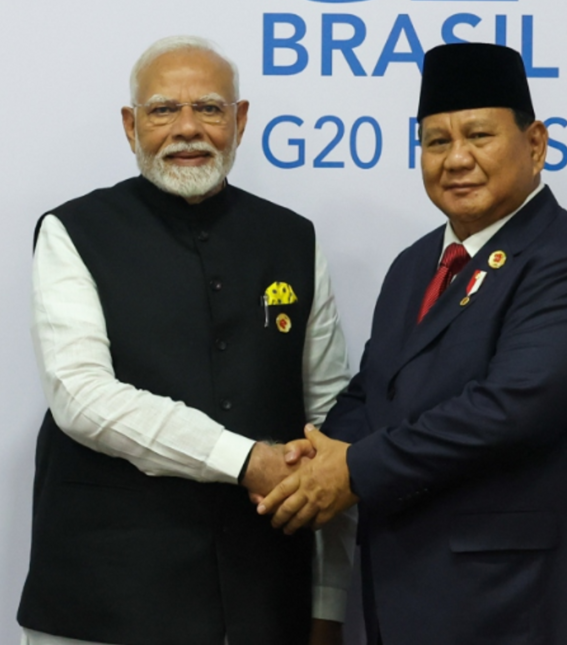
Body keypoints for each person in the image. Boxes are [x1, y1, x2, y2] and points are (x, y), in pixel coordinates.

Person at [258, 43, 567, 644]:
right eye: (436, 141)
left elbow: (507, 411)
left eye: (479, 136)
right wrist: (312, 458)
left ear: (535, 144)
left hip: (538, 607)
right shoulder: (414, 265)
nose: (457, 159)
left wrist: (351, 469)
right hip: (419, 601)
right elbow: (376, 389)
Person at [18, 35, 354, 645]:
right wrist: (245, 461)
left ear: (240, 120)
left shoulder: (292, 239)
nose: (188, 128)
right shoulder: (73, 232)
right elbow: (82, 397)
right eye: (163, 110)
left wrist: (329, 602)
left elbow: (329, 423)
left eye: (209, 108)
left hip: (264, 600)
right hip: (103, 603)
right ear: (131, 125)